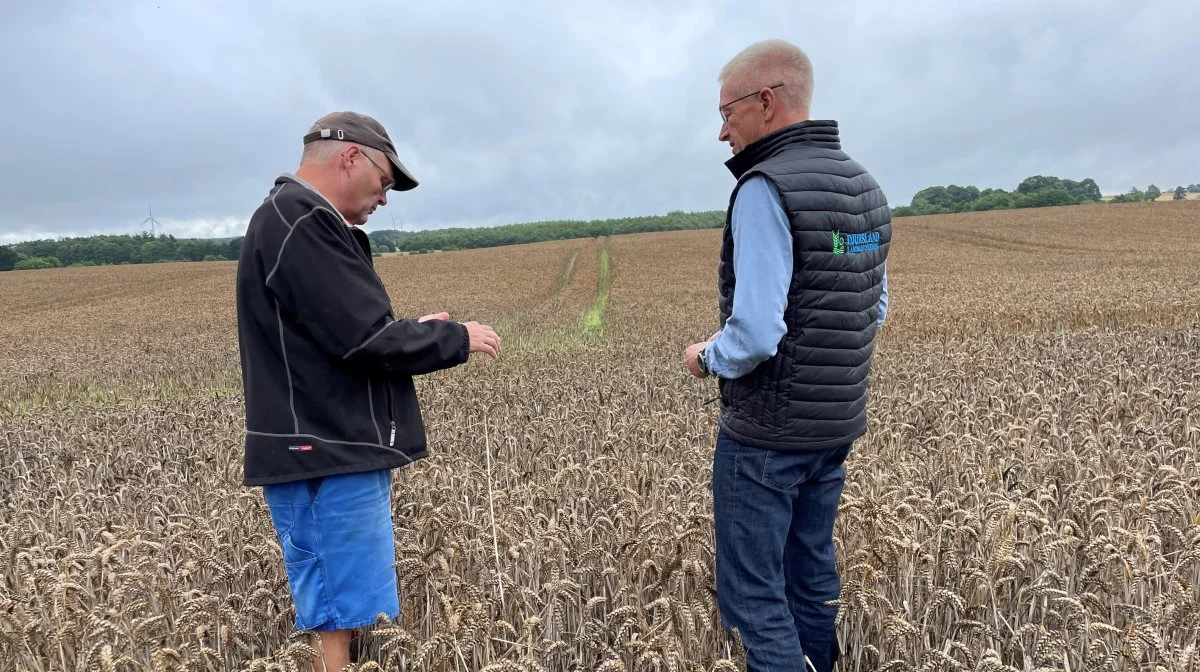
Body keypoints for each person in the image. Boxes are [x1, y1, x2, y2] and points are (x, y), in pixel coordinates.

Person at [234, 110, 501, 671]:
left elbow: (338, 333)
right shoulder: (301, 221)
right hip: (321, 450)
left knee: (348, 604)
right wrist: (453, 337)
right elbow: (363, 339)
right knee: (334, 611)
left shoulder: (297, 219)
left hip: (331, 445)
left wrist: (414, 332)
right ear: (351, 156)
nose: (385, 199)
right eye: (385, 181)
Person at [682, 40, 891, 672]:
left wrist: (705, 357)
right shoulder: (865, 186)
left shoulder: (764, 188)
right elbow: (874, 309)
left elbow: (755, 334)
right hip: (836, 424)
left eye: (727, 112)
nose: (722, 131)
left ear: (766, 101)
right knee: (811, 570)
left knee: (752, 594)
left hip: (768, 431)